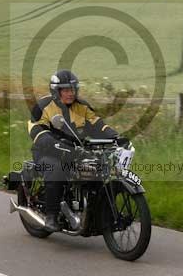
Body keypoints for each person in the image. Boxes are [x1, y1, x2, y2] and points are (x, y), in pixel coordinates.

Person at [27, 69, 118, 232]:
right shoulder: (43, 106)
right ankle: (51, 216)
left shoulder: (82, 106)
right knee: (56, 169)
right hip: (46, 152)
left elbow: (97, 124)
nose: (71, 93)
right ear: (56, 91)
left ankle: (94, 212)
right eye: (66, 90)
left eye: (73, 89)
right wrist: (54, 144)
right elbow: (36, 130)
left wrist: (115, 137)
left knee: (97, 169)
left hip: (76, 151)